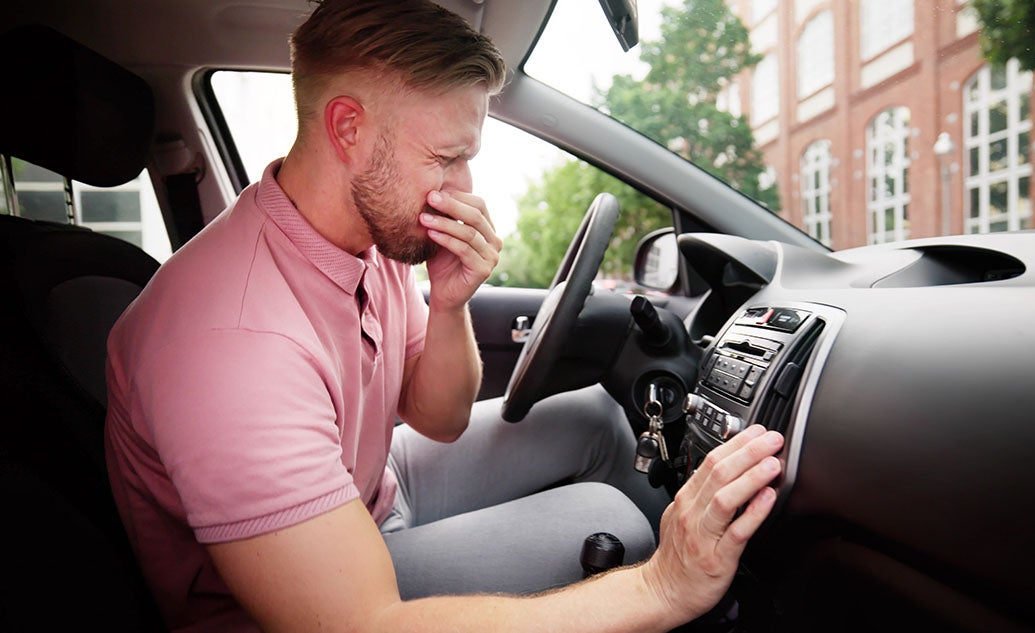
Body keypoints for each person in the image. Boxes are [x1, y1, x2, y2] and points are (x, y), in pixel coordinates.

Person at [104, 0, 785, 630]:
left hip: (366, 487)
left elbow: (439, 417)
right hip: (302, 596)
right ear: (348, 128)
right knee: (609, 522)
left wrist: (451, 299)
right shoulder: (233, 341)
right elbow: (364, 623)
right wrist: (662, 585)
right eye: (447, 157)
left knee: (595, 417)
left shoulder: (366, 240)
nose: (465, 189)